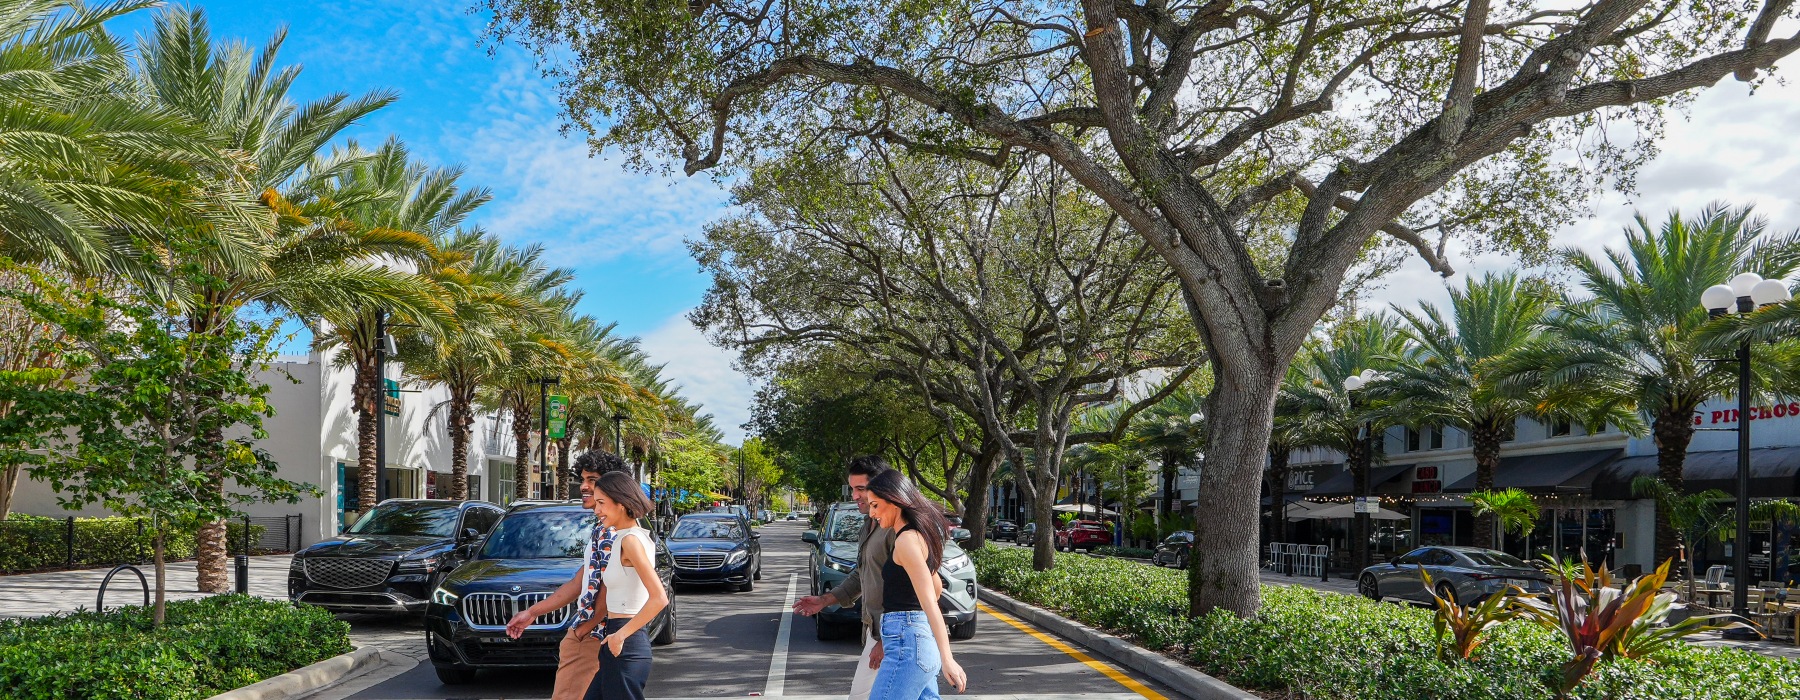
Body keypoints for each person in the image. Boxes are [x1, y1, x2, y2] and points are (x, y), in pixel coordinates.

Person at [509, 456, 666, 700]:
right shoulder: (615, 533)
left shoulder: (621, 536)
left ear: (619, 496)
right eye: (583, 480)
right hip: (609, 636)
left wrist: (587, 629)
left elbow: (635, 594)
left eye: (592, 481)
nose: (584, 487)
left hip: (608, 635)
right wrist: (533, 612)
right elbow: (582, 581)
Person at [792, 456, 894, 700]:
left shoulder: (896, 529)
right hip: (876, 630)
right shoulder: (870, 525)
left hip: (893, 636)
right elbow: (862, 573)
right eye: (852, 489)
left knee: (860, 696)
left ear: (881, 488)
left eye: (861, 489)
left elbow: (915, 590)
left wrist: (886, 641)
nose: (855, 496)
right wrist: (826, 600)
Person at [865, 469, 967, 698]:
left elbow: (930, 601)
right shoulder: (917, 537)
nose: (872, 513)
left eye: (875, 505)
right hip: (918, 643)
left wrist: (947, 659)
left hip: (907, 644)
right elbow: (937, 588)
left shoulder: (907, 541)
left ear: (894, 502)